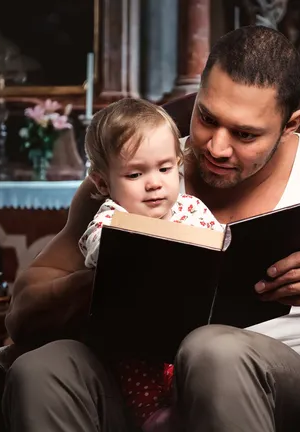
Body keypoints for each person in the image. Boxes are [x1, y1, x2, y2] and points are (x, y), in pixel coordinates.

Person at [2, 25, 300, 432]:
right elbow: (22, 312)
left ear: (289, 125)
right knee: (41, 369)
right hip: (136, 384)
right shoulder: (136, 177)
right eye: (206, 118)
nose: (216, 147)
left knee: (212, 349)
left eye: (244, 134)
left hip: (271, 390)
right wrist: (98, 281)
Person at [77, 98, 223, 429]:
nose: (154, 182)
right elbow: (100, 248)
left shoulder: (192, 208)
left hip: (193, 337)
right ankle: (153, 418)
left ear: (179, 164)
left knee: (204, 377)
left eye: (165, 168)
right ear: (102, 184)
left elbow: (218, 248)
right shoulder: (113, 218)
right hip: (139, 342)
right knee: (138, 377)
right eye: (135, 173)